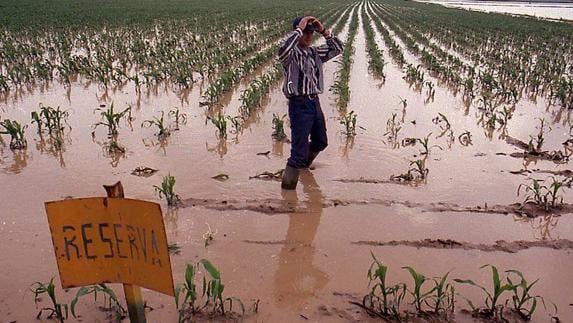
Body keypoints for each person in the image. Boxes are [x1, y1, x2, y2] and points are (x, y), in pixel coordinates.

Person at [278, 15, 343, 190]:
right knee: (297, 153)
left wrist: (323, 31)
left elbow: (337, 49)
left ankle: (304, 168)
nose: (308, 36)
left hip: (314, 103)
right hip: (299, 105)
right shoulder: (290, 55)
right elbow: (283, 48)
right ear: (297, 33)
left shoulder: (315, 53)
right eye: (305, 33)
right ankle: (288, 194)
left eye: (310, 33)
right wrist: (299, 28)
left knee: (321, 141)